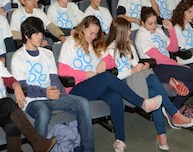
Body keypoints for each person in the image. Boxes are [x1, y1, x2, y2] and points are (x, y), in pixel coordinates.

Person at [58, 15, 163, 152]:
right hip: (76, 88)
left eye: (96, 34)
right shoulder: (70, 43)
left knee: (115, 97)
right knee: (106, 77)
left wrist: (103, 62)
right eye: (91, 33)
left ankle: (120, 140)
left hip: (94, 86)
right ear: (83, 28)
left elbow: (111, 60)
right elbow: (62, 70)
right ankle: (142, 103)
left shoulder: (96, 43)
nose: (93, 36)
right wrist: (85, 74)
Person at [104, 17, 193, 150]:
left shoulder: (129, 45)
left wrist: (141, 67)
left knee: (154, 91)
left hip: (137, 79)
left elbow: (136, 64)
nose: (130, 33)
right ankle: (173, 113)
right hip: (124, 84)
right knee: (152, 80)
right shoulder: (110, 50)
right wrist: (132, 71)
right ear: (121, 32)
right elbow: (113, 77)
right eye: (128, 31)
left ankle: (161, 134)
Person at [11, 17, 95, 152]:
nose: (40, 37)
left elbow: (54, 78)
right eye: (36, 34)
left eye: (41, 33)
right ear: (26, 36)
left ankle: (88, 149)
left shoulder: (47, 53)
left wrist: (56, 90)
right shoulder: (18, 57)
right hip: (33, 101)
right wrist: (45, 92)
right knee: (43, 112)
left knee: (83, 103)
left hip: (51, 96)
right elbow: (24, 88)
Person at [135, 7, 193, 109]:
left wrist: (171, 29)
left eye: (155, 22)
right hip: (156, 68)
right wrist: (178, 65)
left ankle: (176, 82)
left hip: (168, 65)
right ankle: (173, 109)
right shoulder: (142, 35)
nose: (154, 26)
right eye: (150, 24)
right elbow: (158, 58)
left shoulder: (158, 30)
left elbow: (174, 49)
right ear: (142, 22)